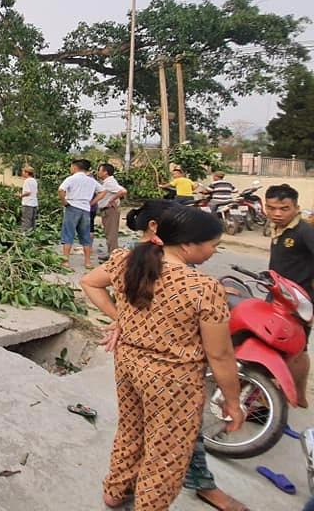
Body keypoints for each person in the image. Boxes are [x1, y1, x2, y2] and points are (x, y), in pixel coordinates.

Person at [83, 201, 250, 511]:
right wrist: (232, 401)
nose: (214, 251)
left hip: (129, 365)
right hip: (174, 381)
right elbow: (221, 354)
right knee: (167, 451)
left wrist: (121, 318)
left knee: (131, 428)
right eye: (213, 245)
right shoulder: (202, 287)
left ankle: (115, 491)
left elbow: (89, 282)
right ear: (188, 245)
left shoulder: (127, 260)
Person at [265, 183, 314, 408]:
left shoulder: (304, 232)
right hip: (277, 297)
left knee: (297, 350)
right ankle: (286, 396)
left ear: (296, 208)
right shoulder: (278, 228)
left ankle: (295, 398)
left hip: (298, 303)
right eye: (271, 207)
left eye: (284, 208)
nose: (277, 213)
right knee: (282, 347)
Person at [58, 159, 102, 268]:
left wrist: (64, 202)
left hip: (72, 207)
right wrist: (92, 202)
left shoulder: (71, 179)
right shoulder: (91, 180)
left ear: (75, 167)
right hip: (86, 209)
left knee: (68, 234)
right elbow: (102, 191)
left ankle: (66, 261)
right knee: (85, 235)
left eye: (71, 166)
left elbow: (61, 189)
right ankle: (87, 262)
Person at [94, 163, 127, 260]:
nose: (98, 172)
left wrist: (112, 200)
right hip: (107, 210)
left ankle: (114, 256)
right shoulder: (107, 182)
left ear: (105, 172)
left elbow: (123, 191)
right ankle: (111, 254)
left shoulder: (109, 182)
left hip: (110, 210)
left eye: (100, 170)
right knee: (109, 233)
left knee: (111, 233)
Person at [19, 165, 38, 231]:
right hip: (34, 203)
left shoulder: (27, 181)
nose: (22, 173)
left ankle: (25, 236)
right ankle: (32, 234)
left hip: (27, 204)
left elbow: (28, 192)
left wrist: (20, 195)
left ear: (27, 173)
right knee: (32, 221)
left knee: (26, 221)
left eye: (23, 172)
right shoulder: (34, 180)